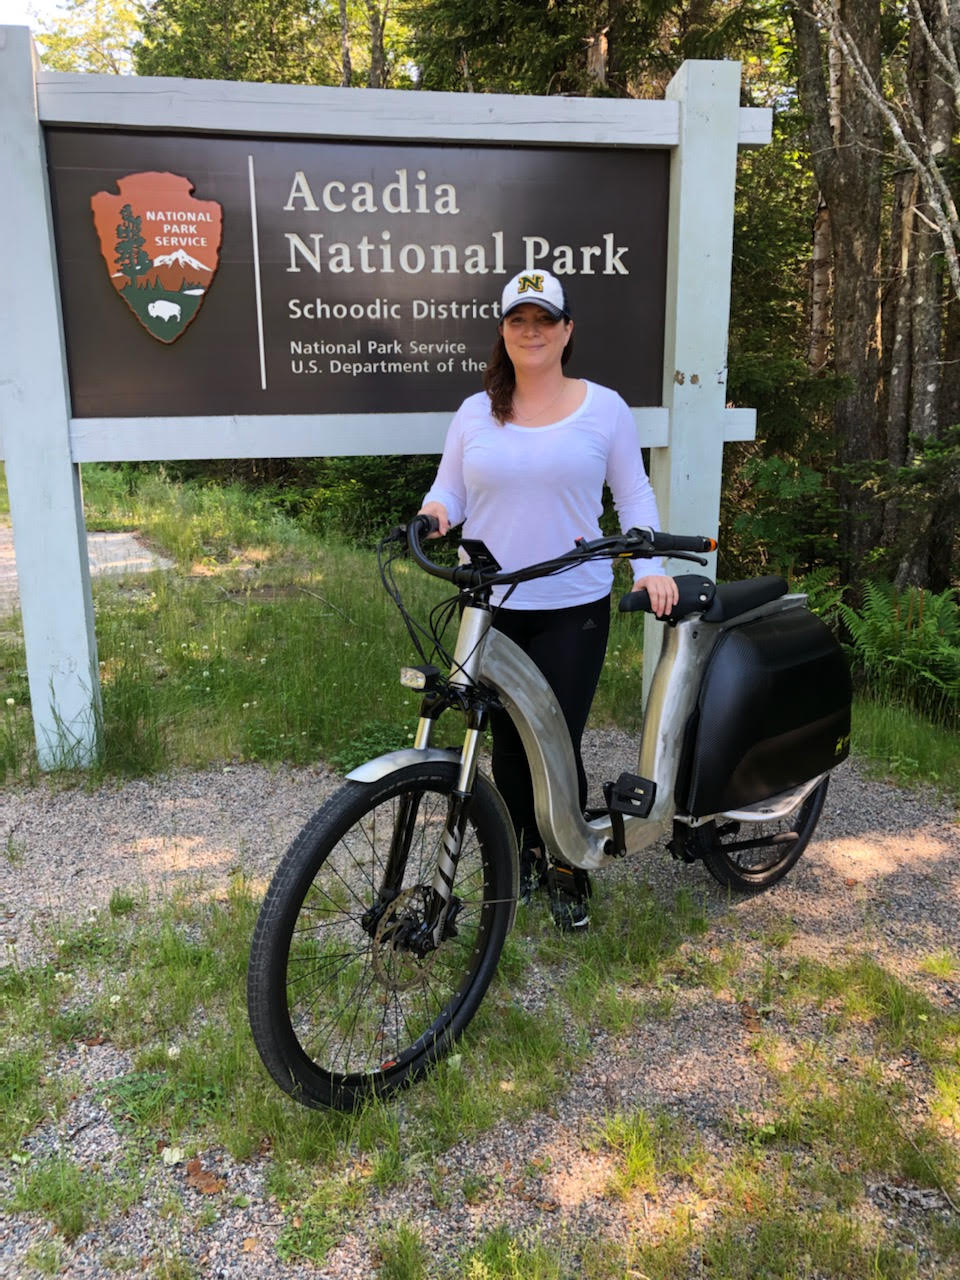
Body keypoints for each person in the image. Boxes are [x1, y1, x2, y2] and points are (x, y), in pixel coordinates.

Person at [419, 269, 678, 932]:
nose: (530, 332)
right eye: (517, 321)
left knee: (554, 743)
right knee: (504, 744)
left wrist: (647, 567)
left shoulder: (604, 409)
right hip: (491, 603)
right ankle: (524, 861)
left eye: (543, 320)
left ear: (566, 331)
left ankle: (569, 866)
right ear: (503, 332)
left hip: (572, 605)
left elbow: (634, 498)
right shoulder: (476, 411)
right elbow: (450, 489)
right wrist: (434, 515)